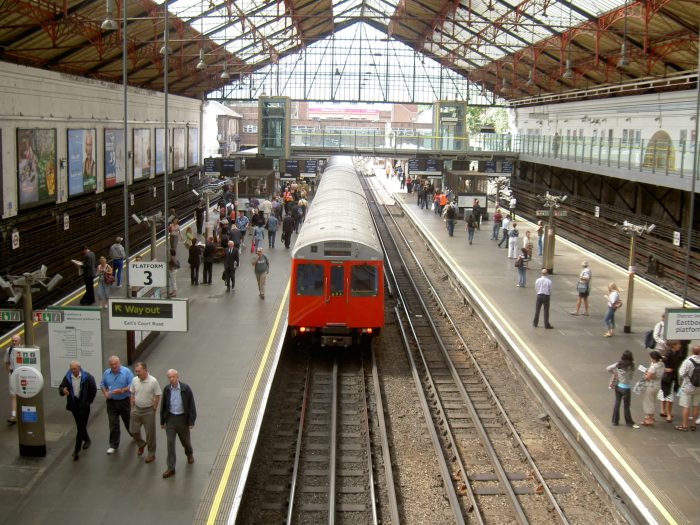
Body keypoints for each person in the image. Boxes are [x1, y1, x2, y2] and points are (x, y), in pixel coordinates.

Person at [160, 369, 196, 478]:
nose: (171, 379)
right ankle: (171, 467)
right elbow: (163, 406)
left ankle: (189, 453)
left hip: (182, 419)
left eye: (173, 377)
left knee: (185, 441)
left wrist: (191, 421)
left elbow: (191, 405)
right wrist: (162, 421)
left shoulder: (186, 389)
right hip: (171, 419)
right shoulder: (167, 390)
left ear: (177, 377)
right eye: (169, 377)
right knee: (170, 443)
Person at [59, 361, 97, 460]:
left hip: (84, 406)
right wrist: (63, 391)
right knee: (80, 425)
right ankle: (87, 439)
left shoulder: (87, 377)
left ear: (79, 368)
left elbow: (93, 389)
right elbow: (61, 387)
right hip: (74, 405)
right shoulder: (68, 377)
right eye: (71, 368)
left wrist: (89, 401)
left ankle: (76, 450)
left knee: (80, 427)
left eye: (74, 368)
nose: (73, 370)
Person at [100, 355, 134, 455]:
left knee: (128, 421)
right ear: (109, 365)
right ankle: (113, 445)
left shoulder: (126, 372)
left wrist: (122, 390)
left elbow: (132, 385)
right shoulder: (106, 373)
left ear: (119, 363)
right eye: (112, 364)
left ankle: (134, 435)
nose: (114, 366)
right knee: (113, 424)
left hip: (124, 401)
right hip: (111, 402)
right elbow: (102, 384)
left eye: (116, 364)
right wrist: (105, 393)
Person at [130, 362, 161, 464]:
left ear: (145, 370)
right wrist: (132, 405)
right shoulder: (135, 380)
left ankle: (151, 453)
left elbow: (157, 395)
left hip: (148, 410)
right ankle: (141, 444)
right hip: (137, 409)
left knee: (150, 433)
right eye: (136, 371)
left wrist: (154, 407)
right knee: (133, 430)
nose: (137, 373)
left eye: (138, 371)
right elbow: (132, 392)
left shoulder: (153, 381)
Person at [606, 350, 639, 428]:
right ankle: (629, 422)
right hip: (626, 388)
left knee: (617, 403)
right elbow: (631, 377)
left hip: (618, 386)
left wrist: (614, 373)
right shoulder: (632, 365)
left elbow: (608, 368)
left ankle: (615, 421)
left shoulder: (619, 364)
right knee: (626, 406)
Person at [675, 345, 700, 431]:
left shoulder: (688, 361)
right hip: (698, 387)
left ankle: (685, 425)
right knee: (696, 405)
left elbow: (681, 373)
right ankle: (693, 424)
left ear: (692, 351)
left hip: (688, 386)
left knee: (686, 406)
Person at [658, 340, 683, 424]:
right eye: (678, 344)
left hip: (670, 376)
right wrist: (665, 369)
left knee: (664, 392)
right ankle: (668, 414)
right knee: (669, 395)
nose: (680, 346)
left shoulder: (676, 352)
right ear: (674, 345)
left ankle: (663, 410)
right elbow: (660, 361)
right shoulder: (668, 353)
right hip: (668, 377)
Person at [640, 351, 664, 426]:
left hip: (651, 386)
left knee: (648, 402)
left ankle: (649, 419)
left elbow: (648, 377)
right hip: (657, 385)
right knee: (653, 401)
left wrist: (645, 374)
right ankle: (651, 416)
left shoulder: (653, 367)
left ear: (653, 358)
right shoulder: (662, 364)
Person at [4, 334, 20, 424]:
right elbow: (7, 362)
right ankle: (13, 415)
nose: (14, 342)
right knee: (13, 395)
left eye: (15, 340)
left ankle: (22, 414)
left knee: (22, 394)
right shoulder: (8, 350)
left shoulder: (22, 350)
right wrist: (9, 372)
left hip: (21, 374)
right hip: (12, 374)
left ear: (19, 341)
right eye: (12, 340)